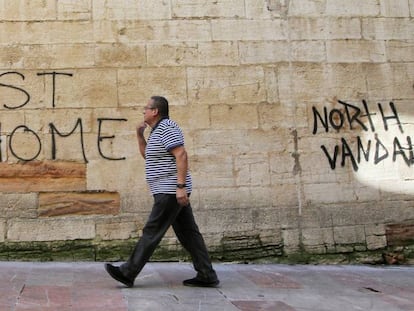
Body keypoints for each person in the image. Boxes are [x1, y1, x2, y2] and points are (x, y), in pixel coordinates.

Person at [105, 96, 219, 288]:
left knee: (152, 230)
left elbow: (181, 154)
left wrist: (180, 188)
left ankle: (128, 272)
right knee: (189, 234)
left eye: (146, 108)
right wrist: (139, 135)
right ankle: (207, 274)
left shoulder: (167, 127)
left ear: (155, 111)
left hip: (170, 190)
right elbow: (147, 155)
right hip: (168, 190)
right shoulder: (157, 131)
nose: (143, 111)